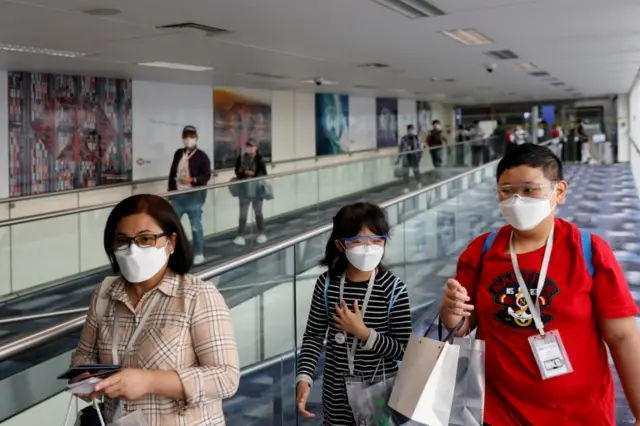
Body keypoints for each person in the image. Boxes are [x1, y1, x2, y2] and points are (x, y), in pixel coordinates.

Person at [438, 144, 640, 425]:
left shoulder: (588, 251)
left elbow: (623, 337)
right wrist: (451, 315)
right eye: (507, 191)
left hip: (580, 414)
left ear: (559, 192)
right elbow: (462, 327)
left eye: (529, 190)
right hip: (497, 412)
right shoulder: (481, 251)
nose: (516, 200)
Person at [70, 194, 240, 425]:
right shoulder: (104, 294)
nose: (132, 250)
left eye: (145, 239)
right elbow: (84, 354)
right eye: (122, 241)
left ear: (171, 242)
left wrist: (150, 381)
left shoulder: (197, 296)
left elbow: (226, 377)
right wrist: (85, 376)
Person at [295, 202, 413, 426]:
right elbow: (313, 336)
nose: (369, 248)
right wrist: (304, 377)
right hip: (336, 398)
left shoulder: (393, 289)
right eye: (358, 241)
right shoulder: (327, 285)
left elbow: (404, 350)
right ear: (341, 245)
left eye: (376, 240)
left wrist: (364, 333)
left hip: (379, 395)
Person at [168, 125, 211, 265]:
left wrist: (193, 180)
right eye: (186, 137)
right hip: (177, 196)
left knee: (196, 226)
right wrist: (170, 190)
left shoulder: (202, 156)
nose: (188, 140)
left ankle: (199, 253)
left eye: (191, 137)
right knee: (172, 226)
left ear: (196, 137)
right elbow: (172, 172)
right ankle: (173, 252)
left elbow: (207, 175)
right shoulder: (178, 153)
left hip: (193, 196)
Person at [233, 139, 268, 246]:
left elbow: (263, 173)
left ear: (256, 148)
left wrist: (253, 174)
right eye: (248, 146)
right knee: (243, 213)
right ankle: (240, 235)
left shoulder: (259, 159)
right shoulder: (241, 158)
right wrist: (241, 172)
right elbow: (237, 171)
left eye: (252, 146)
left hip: (257, 189)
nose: (250, 148)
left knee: (258, 212)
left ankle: (261, 233)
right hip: (244, 189)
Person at [397, 124, 423, 193]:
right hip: (406, 156)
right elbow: (401, 149)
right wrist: (399, 158)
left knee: (416, 171)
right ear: (407, 130)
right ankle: (406, 186)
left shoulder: (417, 138)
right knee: (406, 172)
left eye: (413, 129)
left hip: (414, 156)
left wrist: (420, 156)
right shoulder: (404, 138)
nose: (412, 131)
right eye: (410, 130)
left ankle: (419, 182)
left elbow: (420, 147)